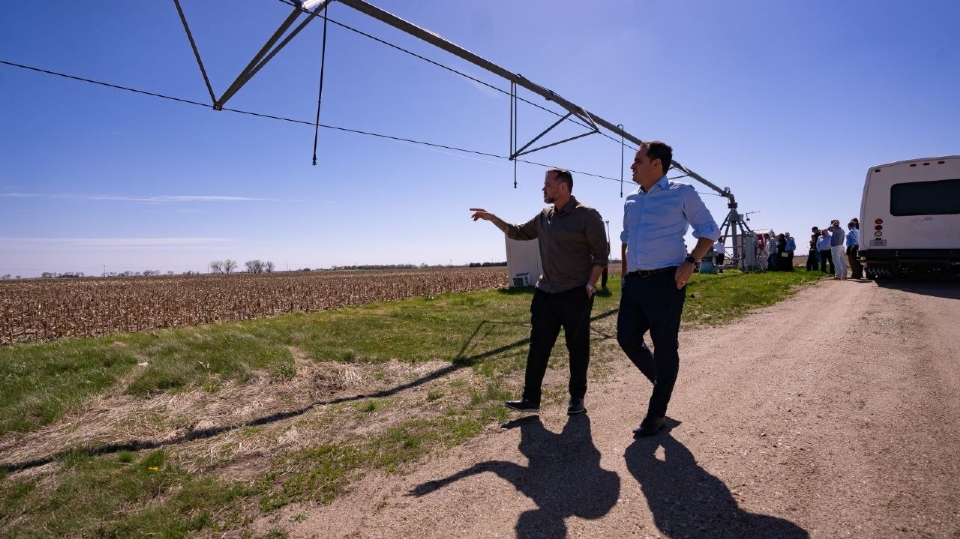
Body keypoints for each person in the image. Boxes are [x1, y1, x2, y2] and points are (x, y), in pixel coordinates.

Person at [470, 168, 608, 416]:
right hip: (546, 293)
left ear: (563, 187)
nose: (543, 189)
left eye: (547, 185)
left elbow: (601, 254)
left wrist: (590, 285)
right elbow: (519, 232)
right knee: (538, 346)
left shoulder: (587, 215)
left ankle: (577, 397)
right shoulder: (545, 216)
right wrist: (493, 219)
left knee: (577, 347)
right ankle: (530, 398)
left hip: (575, 293)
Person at [617, 141, 719, 437]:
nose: (632, 166)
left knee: (664, 347)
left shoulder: (682, 193)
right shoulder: (632, 200)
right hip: (634, 283)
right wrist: (625, 274)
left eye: (637, 160)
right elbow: (626, 238)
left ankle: (657, 413)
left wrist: (691, 262)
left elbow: (709, 230)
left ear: (656, 164)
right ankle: (663, 383)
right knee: (626, 338)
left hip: (666, 281)